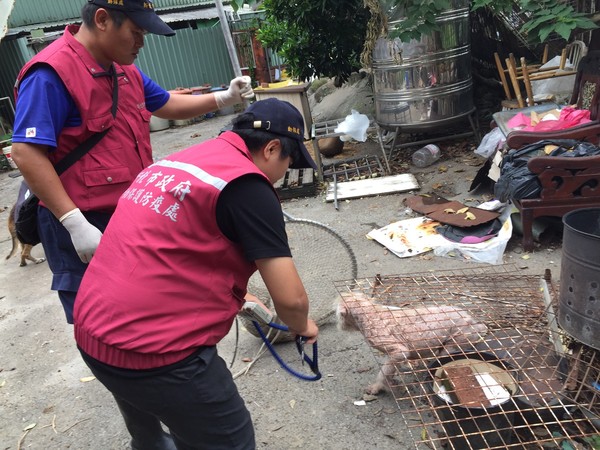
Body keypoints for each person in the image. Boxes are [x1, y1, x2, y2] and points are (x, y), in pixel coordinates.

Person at [73, 98, 320, 449]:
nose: (284, 172)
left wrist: (234, 294)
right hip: (155, 355)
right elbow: (291, 300)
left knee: (151, 436)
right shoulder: (248, 186)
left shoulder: (181, 161)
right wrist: (302, 325)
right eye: (289, 162)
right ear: (272, 147)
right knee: (230, 441)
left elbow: (173, 248)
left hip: (94, 334)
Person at [10, 0, 254, 324]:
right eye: (136, 32)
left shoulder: (123, 69)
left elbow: (166, 103)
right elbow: (26, 151)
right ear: (102, 20)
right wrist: (74, 222)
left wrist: (224, 97)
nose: (141, 42)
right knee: (105, 326)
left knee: (150, 312)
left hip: (129, 215)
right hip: (81, 225)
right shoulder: (51, 73)